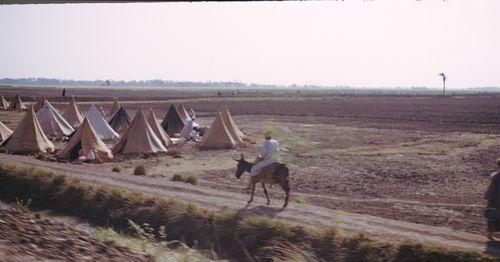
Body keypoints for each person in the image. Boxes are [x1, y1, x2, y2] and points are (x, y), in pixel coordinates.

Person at [485, 159, 500, 240]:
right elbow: (492, 189)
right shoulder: (495, 177)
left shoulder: (495, 176)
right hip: (496, 201)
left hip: (495, 201)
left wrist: (489, 200)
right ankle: (490, 235)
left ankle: (490, 234)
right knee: (493, 217)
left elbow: (491, 189)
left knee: (492, 217)